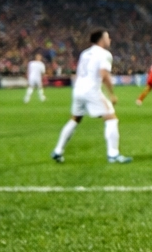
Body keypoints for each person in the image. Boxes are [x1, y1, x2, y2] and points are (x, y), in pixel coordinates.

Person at [52, 29, 131, 163]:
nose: (109, 40)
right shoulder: (105, 54)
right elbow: (104, 75)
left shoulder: (85, 53)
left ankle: (58, 151)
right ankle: (113, 154)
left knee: (75, 119)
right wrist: (112, 94)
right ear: (101, 40)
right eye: (107, 37)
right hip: (91, 91)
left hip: (78, 89)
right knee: (111, 119)